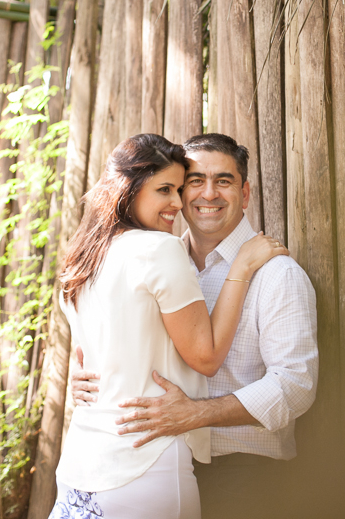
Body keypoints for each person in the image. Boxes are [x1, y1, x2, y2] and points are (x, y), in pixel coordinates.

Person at [72, 133, 319, 517]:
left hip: (244, 472)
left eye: (223, 181)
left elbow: (295, 384)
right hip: (164, 462)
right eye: (194, 182)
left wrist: (197, 414)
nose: (208, 193)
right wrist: (85, 374)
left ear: (245, 192)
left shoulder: (277, 275)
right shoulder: (160, 259)